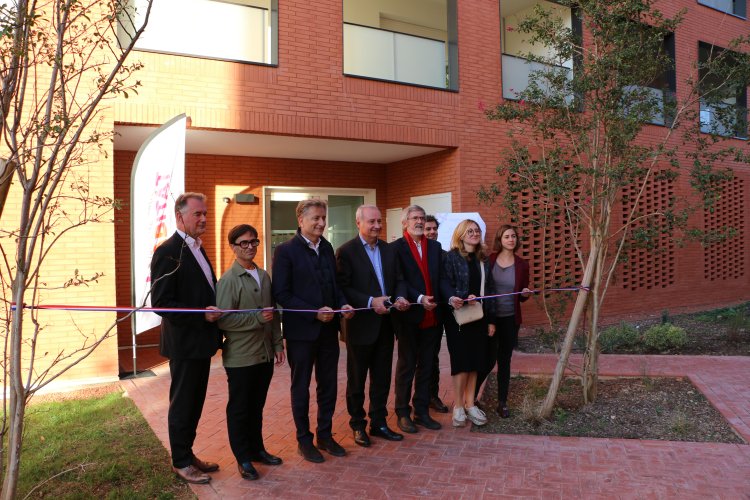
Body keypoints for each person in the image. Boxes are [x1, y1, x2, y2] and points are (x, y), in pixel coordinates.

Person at [272, 199, 354, 463]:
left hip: (328, 332)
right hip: (301, 334)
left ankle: (325, 435)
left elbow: (335, 285)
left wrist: (343, 304)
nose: (321, 223)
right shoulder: (285, 251)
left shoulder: (327, 247)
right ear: (300, 219)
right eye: (315, 218)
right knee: (301, 387)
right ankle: (304, 440)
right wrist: (313, 312)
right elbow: (281, 293)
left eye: (323, 218)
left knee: (328, 385)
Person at [150, 192, 223, 484]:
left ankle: (187, 453)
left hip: (201, 343)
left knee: (195, 402)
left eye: (205, 213)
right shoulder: (168, 251)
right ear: (180, 217)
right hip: (184, 343)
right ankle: (180, 461)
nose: (204, 218)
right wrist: (200, 314)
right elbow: (162, 303)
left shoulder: (196, 248)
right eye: (198, 214)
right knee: (183, 403)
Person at [336, 205, 410, 447]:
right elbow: (343, 288)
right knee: (356, 380)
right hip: (360, 326)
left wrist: (399, 297)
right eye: (371, 221)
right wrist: (369, 301)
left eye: (379, 221)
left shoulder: (389, 250)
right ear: (359, 223)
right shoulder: (346, 252)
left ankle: (378, 422)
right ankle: (358, 425)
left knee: (381, 378)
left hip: (386, 325)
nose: (377, 225)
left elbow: (399, 279)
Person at [216, 224, 285, 481]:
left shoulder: (264, 276)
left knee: (257, 406)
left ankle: (257, 450)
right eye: (243, 243)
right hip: (240, 357)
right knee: (240, 408)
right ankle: (243, 457)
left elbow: (273, 314)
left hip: (265, 354)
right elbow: (223, 321)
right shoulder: (228, 280)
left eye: (253, 242)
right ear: (233, 247)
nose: (249, 247)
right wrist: (256, 319)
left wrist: (278, 344)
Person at [391, 205, 446, 433]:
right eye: (415, 218)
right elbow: (399, 280)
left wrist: (449, 296)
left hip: (432, 315)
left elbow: (440, 279)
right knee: (406, 366)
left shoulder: (435, 247)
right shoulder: (394, 249)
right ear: (405, 222)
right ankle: (402, 412)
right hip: (409, 316)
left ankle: (421, 411)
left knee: (426, 366)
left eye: (422, 218)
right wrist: (419, 297)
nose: (420, 222)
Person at [441, 219, 496, 427]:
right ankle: (458, 406)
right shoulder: (451, 257)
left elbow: (489, 290)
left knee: (476, 361)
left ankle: (470, 403)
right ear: (461, 235)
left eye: (477, 231)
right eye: (470, 231)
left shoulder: (484, 259)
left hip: (479, 317)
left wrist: (491, 320)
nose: (474, 234)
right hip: (458, 319)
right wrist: (463, 296)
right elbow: (446, 284)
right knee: (461, 362)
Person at [475, 225, 532, 418]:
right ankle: (471, 398)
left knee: (504, 361)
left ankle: (502, 403)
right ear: (500, 239)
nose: (511, 239)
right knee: (487, 359)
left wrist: (525, 294)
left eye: (513, 236)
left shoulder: (523, 264)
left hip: (510, 319)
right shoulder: (489, 260)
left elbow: (522, 294)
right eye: (507, 236)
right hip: (490, 318)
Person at [424, 215, 449, 414]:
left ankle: (433, 396)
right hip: (417, 313)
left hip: (437, 314)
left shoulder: (442, 253)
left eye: (434, 228)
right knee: (417, 360)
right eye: (428, 229)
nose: (432, 232)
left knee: (433, 358)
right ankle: (418, 399)